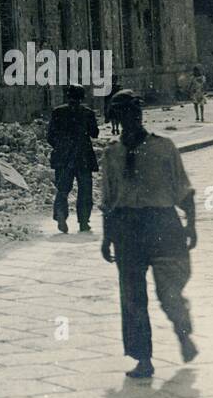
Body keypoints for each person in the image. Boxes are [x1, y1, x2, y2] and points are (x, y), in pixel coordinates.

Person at [101, 90, 198, 379]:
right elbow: (108, 201)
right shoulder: (111, 154)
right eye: (125, 113)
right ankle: (143, 358)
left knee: (169, 292)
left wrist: (191, 225)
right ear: (116, 118)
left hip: (163, 225)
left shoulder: (164, 148)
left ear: (141, 114)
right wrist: (107, 238)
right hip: (127, 228)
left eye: (136, 111)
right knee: (132, 298)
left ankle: (183, 333)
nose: (133, 117)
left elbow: (183, 189)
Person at [47, 85, 99, 233]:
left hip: (63, 158)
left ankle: (61, 215)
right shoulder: (87, 113)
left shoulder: (58, 112)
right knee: (85, 190)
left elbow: (50, 136)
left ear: (67, 96)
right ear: (82, 97)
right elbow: (94, 133)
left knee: (62, 189)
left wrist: (61, 146)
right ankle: (83, 221)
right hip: (83, 157)